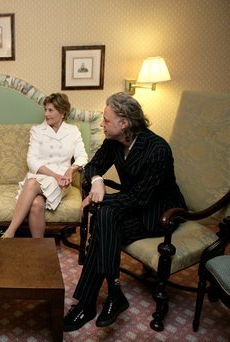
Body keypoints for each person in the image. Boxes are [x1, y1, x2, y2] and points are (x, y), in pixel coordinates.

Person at [63, 92, 187, 331]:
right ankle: (114, 292)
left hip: (159, 212)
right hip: (133, 203)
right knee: (105, 218)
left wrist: (98, 202)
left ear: (124, 123)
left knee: (103, 218)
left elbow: (141, 199)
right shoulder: (114, 142)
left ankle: (88, 303)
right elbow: (93, 165)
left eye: (106, 120)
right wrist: (97, 181)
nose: (102, 124)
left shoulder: (157, 149)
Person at [2, 93, 88, 238]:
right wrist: (55, 175)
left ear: (62, 113)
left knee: (31, 183)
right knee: (36, 204)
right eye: (45, 110)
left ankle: (10, 232)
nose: (46, 114)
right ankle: (39, 247)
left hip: (62, 182)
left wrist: (70, 171)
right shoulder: (37, 130)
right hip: (42, 176)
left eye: (50, 110)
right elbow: (31, 160)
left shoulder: (73, 131)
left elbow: (82, 156)